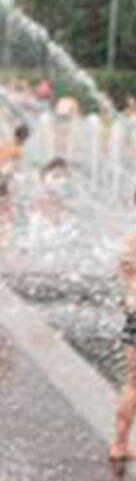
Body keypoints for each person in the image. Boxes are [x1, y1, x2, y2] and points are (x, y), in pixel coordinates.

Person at [111, 193, 136, 463]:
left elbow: (126, 279)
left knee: (132, 384)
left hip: (134, 316)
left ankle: (119, 443)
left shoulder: (131, 241)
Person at [0, 121, 30, 256]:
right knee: (5, 211)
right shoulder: (17, 150)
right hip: (4, 180)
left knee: (0, 210)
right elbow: (13, 167)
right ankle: (2, 242)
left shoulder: (6, 144)